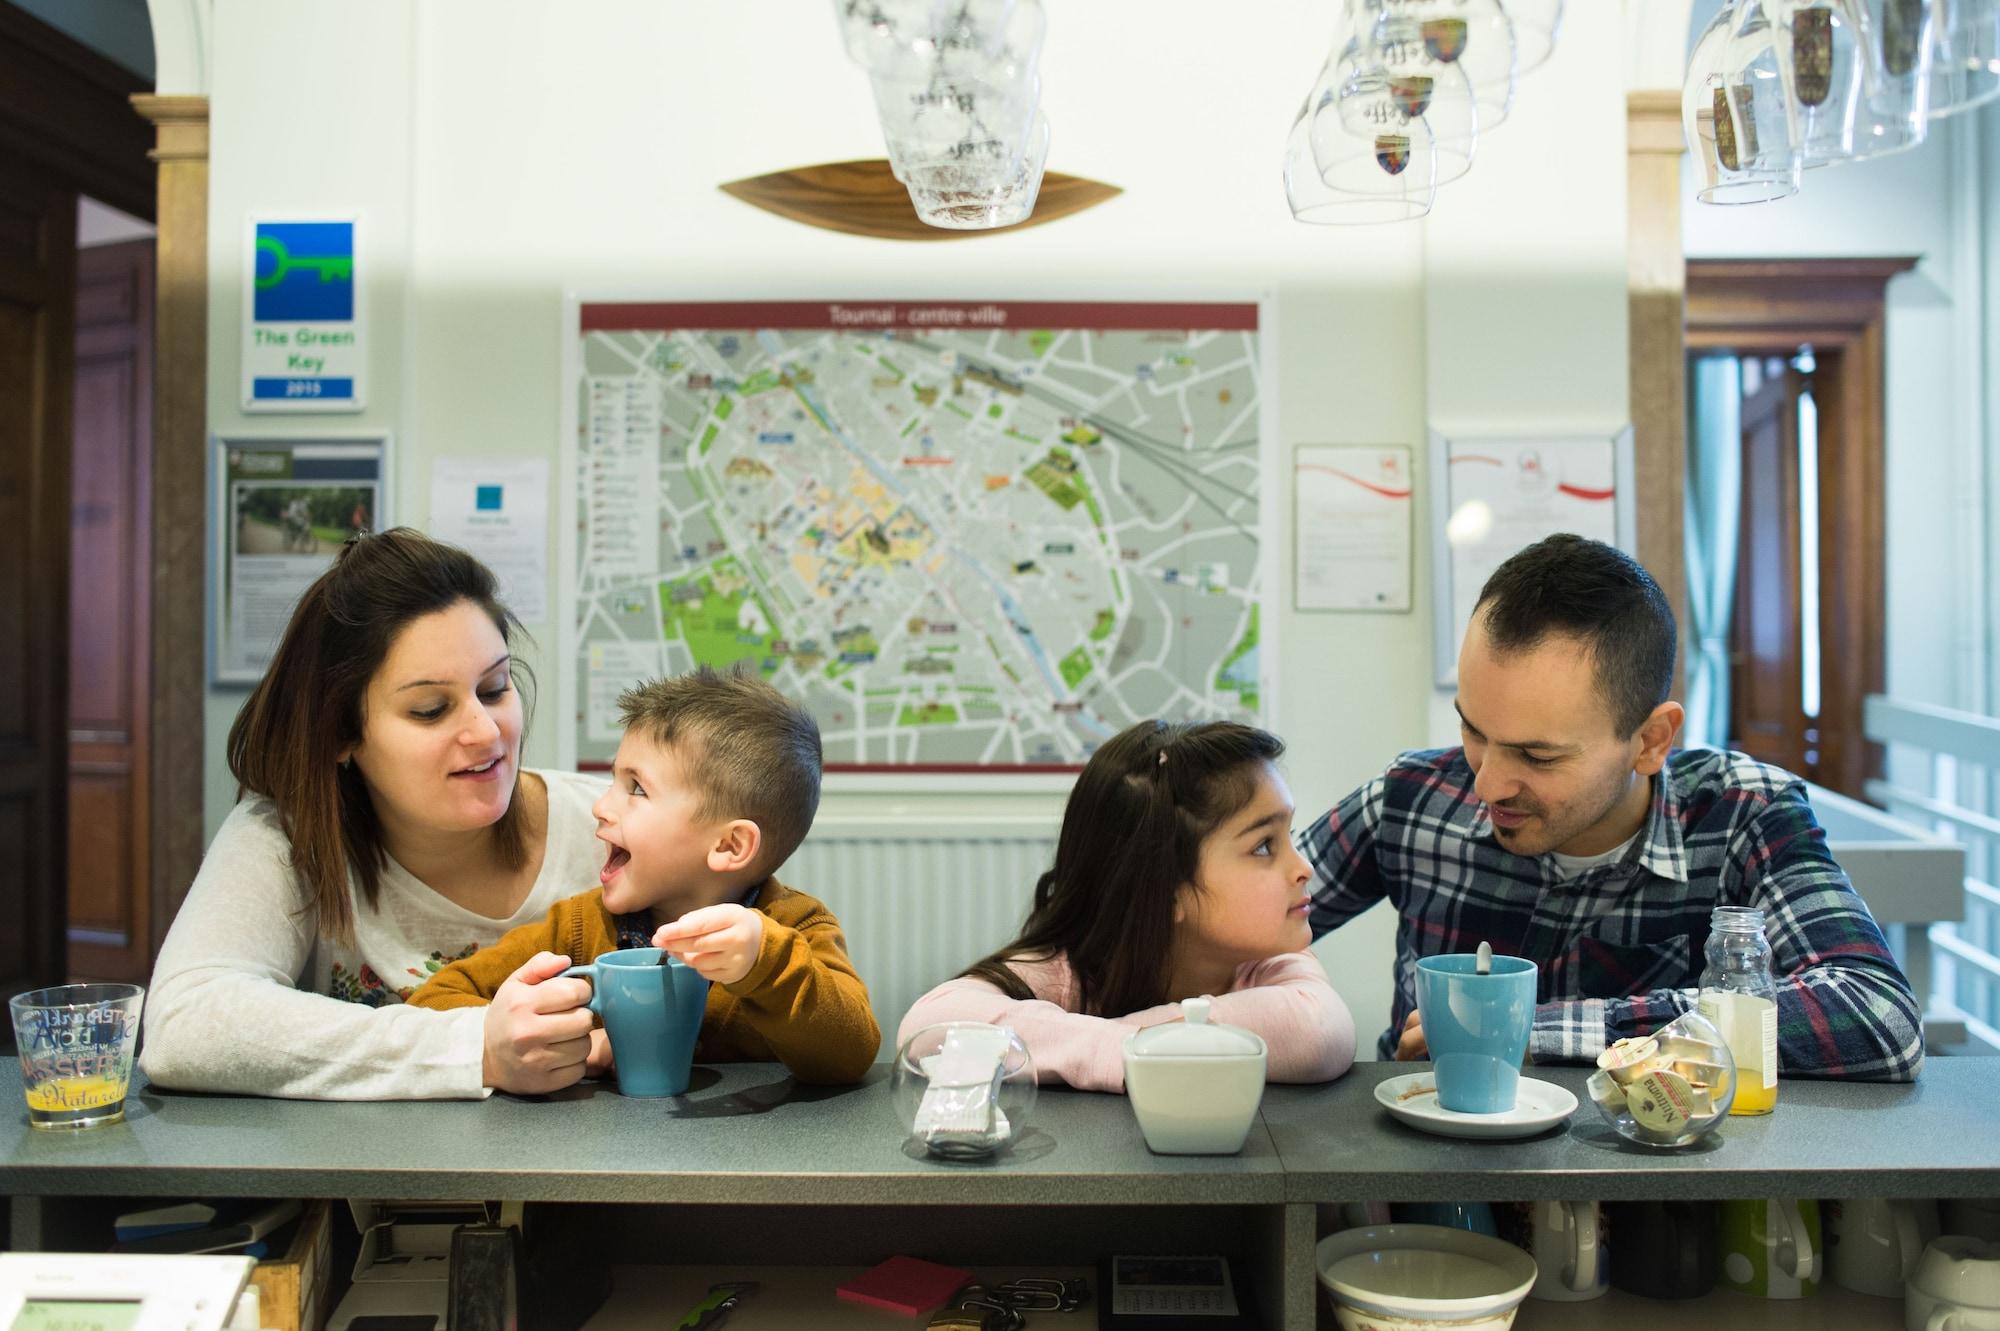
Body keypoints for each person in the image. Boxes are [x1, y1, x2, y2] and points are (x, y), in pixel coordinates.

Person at [1300, 534, 1923, 1080]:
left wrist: (1541, 1032)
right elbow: (1242, 922)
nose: (1486, 785)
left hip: (1653, 1171)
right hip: (1428, 1164)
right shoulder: (1411, 799)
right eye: (1474, 731)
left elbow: (1879, 1016)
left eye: (1537, 756)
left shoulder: (1742, 814)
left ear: (1650, 741)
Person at [142, 529, 610, 1099]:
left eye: (494, 689)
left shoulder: (611, 825)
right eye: (430, 709)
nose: (486, 733)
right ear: (341, 732)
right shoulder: (289, 836)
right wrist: (476, 1048)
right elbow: (185, 1023)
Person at [408, 668, 879, 1086]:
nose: (600, 806)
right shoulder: (578, 927)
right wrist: (563, 1040)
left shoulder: (794, 928)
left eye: (636, 789)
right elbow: (432, 1002)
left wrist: (765, 963)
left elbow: (852, 1054)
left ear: (729, 846)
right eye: (613, 779)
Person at [899, 719, 1356, 1092]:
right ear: (1166, 889)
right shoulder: (1070, 975)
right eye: (1263, 846)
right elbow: (928, 1028)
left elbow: (1319, 1030)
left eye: (1290, 835)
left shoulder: (1269, 963)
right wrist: (1128, 1050)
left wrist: (1137, 1043)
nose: (1304, 867)